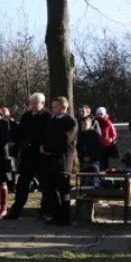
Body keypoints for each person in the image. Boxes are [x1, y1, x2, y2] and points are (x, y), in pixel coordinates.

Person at [5, 93, 52, 221]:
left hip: (42, 156)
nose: (33, 106)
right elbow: (20, 133)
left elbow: (48, 135)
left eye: (35, 103)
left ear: (43, 103)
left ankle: (45, 211)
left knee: (45, 185)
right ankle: (16, 212)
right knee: (22, 185)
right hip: (28, 156)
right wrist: (21, 144)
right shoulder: (26, 116)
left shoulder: (48, 117)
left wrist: (41, 145)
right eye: (31, 103)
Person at [41, 96, 78, 225]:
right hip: (49, 160)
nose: (53, 109)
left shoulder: (71, 121)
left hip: (62, 160)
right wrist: (43, 147)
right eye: (52, 106)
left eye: (55, 106)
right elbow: (46, 136)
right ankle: (56, 215)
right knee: (48, 188)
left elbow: (65, 139)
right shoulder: (51, 120)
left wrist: (48, 147)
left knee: (63, 190)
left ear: (64, 107)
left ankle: (65, 217)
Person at [77, 116, 102, 186]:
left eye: (85, 124)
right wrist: (82, 157)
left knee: (94, 178)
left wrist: (91, 157)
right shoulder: (80, 136)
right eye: (82, 124)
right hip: (83, 161)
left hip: (94, 161)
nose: (83, 126)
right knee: (84, 179)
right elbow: (78, 149)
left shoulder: (95, 135)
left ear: (90, 124)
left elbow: (98, 149)